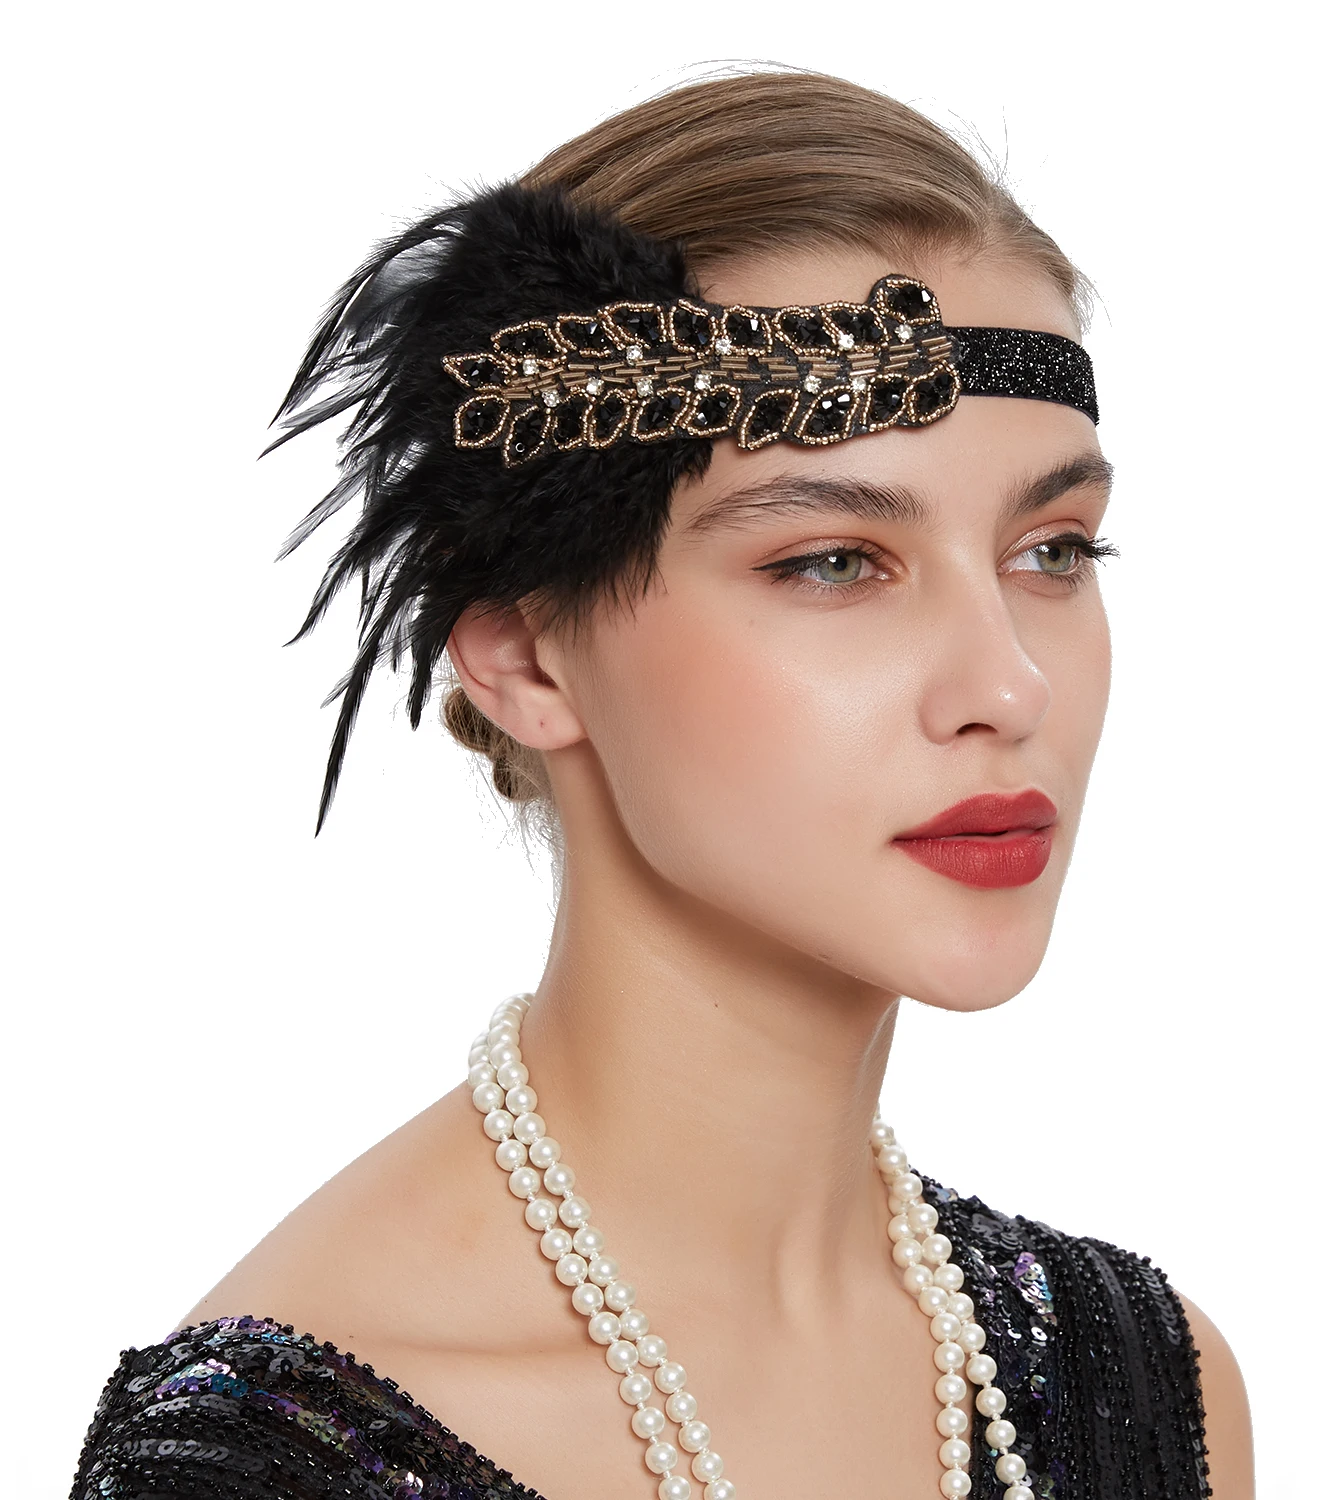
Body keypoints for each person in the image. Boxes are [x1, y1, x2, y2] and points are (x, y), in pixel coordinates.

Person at [69, 69, 1252, 1500]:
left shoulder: (1140, 1383)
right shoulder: (269, 1466)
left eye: (1053, 550)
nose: (1008, 686)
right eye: (833, 562)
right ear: (526, 653)